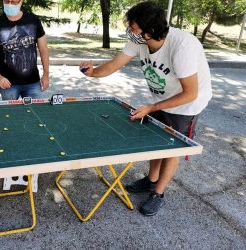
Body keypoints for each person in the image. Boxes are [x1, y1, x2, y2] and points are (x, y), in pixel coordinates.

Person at [80, 1, 212, 216]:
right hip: (160, 98)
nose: (130, 33)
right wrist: (93, 72)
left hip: (187, 104)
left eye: (133, 29)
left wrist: (151, 107)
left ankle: (158, 194)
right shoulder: (140, 40)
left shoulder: (182, 46)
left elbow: (190, 93)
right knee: (155, 142)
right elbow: (115, 64)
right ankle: (151, 181)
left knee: (171, 148)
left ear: (150, 31)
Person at [0, 0, 50, 100]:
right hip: (8, 84)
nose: (10, 4)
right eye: (7, 1)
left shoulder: (33, 20)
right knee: (10, 114)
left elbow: (43, 50)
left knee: (35, 113)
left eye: (14, 2)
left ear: (21, 2)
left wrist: (46, 75)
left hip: (33, 83)